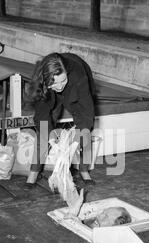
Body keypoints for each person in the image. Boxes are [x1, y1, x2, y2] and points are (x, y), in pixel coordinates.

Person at [25, 52, 96, 186]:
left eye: (63, 80)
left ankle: (84, 170)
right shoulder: (40, 81)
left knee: (85, 131)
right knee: (45, 130)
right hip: (49, 92)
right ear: (45, 80)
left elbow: (87, 113)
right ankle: (34, 172)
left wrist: (76, 142)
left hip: (76, 87)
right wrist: (52, 139)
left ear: (67, 74)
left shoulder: (79, 76)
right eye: (55, 82)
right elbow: (42, 116)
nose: (59, 87)